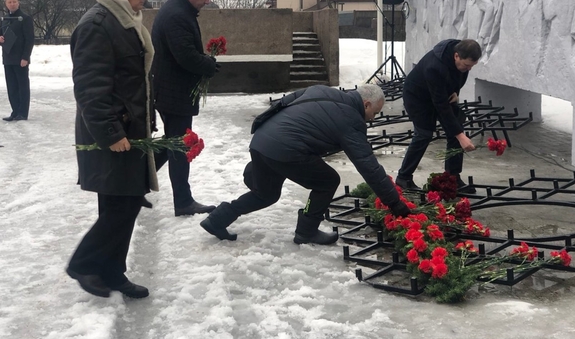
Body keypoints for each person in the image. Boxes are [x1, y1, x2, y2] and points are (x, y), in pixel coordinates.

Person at [200, 84, 412, 244]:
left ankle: (217, 219)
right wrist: (395, 203)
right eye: (374, 113)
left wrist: (262, 127)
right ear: (365, 104)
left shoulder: (324, 90)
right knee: (328, 180)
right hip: (285, 149)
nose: (373, 120)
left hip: (262, 141)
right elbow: (368, 166)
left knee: (265, 195)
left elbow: (286, 101)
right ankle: (307, 230)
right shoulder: (351, 120)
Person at [66, 0, 158, 299]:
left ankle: (111, 271)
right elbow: (90, 87)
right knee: (122, 205)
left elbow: (132, 80)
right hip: (112, 133)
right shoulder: (98, 24)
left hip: (128, 128)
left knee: (124, 204)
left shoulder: (125, 21)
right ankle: (84, 264)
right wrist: (111, 133)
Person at [150, 0, 218, 217]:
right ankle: (183, 202)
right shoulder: (177, 15)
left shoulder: (179, 10)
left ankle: (134, 186)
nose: (207, 0)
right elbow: (185, 56)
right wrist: (208, 64)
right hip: (173, 91)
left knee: (172, 142)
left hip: (171, 89)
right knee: (179, 146)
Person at [395, 39, 481, 194]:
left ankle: (452, 177)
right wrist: (461, 136)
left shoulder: (463, 56)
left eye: (472, 66)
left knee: (456, 127)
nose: (468, 69)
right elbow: (441, 105)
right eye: (467, 65)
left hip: (441, 93)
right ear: (456, 56)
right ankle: (403, 177)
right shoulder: (435, 67)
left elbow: (458, 77)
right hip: (418, 98)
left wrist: (456, 92)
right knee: (424, 134)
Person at [0, 0, 35, 121]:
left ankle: (23, 113)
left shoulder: (25, 18)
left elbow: (29, 40)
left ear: (18, 2)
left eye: (14, 1)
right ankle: (15, 111)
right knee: (12, 87)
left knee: (22, 86)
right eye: (9, 2)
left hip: (20, 59)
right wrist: (0, 39)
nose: (12, 4)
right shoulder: (5, 19)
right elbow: (0, 36)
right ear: (6, 4)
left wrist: (25, 57)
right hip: (8, 58)